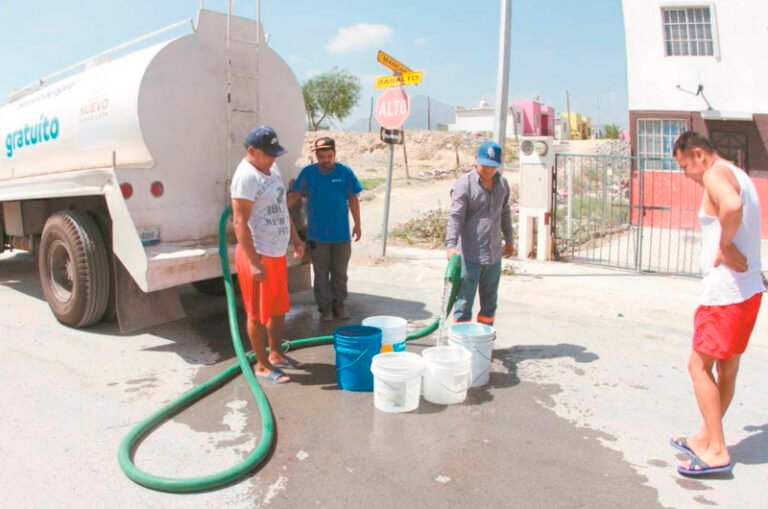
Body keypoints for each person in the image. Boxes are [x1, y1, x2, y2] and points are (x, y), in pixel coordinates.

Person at [671, 131, 763, 476]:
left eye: (684, 167)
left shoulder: (713, 173)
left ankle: (717, 451)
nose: (687, 176)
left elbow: (732, 207)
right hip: (748, 292)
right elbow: (738, 207)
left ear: (699, 155)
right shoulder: (741, 175)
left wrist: (724, 247)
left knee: (697, 367)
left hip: (725, 296)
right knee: (727, 368)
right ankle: (705, 439)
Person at [231, 126, 305, 384]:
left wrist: (295, 238)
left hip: (276, 252)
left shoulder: (271, 168)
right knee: (256, 314)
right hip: (258, 254)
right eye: (267, 154)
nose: (273, 159)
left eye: (275, 154)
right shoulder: (246, 178)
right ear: (251, 151)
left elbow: (280, 208)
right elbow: (239, 223)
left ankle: (275, 354)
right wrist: (253, 262)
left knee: (278, 308)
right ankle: (261, 365)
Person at [288, 137, 363, 322]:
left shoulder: (345, 172)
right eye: (322, 157)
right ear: (316, 156)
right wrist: (280, 208)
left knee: (340, 273)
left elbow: (353, 198)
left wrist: (358, 224)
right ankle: (325, 309)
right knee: (321, 274)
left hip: (341, 235)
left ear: (335, 154)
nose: (326, 160)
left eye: (329, 156)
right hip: (317, 237)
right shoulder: (308, 173)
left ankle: (340, 305)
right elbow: (295, 196)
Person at [446, 140, 514, 326]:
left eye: (492, 167)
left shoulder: (502, 184)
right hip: (469, 257)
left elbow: (505, 212)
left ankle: (483, 342)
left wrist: (509, 239)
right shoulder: (464, 185)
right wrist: (451, 246)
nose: (488, 170)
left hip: (493, 256)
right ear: (476, 159)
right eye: (484, 165)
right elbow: (455, 217)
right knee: (464, 303)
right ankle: (461, 345)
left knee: (490, 303)